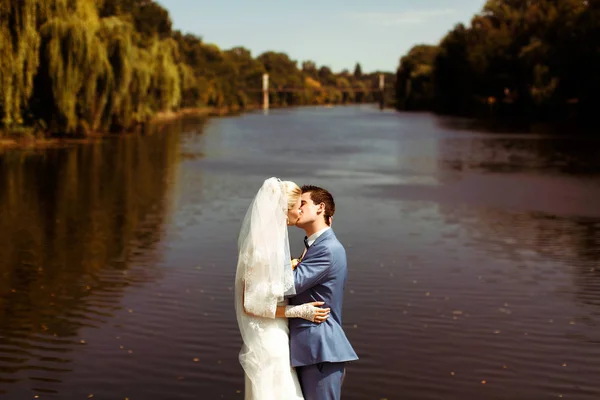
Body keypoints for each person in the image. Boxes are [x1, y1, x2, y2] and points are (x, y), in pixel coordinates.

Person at [234, 177, 330, 400]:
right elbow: (250, 305)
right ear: (285, 210)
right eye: (299, 206)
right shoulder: (260, 249)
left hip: (278, 330)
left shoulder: (270, 244)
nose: (299, 212)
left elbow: (268, 282)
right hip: (268, 337)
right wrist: (298, 311)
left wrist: (288, 266)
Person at [289, 185, 358, 400]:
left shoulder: (327, 248)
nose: (296, 209)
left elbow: (289, 285)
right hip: (309, 349)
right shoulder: (314, 245)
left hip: (320, 349)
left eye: (302, 203)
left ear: (320, 208)